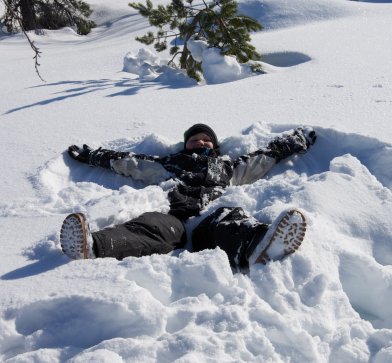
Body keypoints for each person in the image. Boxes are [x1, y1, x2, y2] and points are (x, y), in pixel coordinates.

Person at [60, 124, 316, 272]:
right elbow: (131, 163)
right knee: (149, 226)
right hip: (176, 219)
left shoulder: (227, 167)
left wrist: (294, 142)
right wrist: (94, 156)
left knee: (231, 219)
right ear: (186, 145)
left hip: (210, 218)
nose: (202, 143)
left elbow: (263, 158)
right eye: (195, 140)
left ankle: (259, 245)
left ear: (214, 147)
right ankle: (95, 246)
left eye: (207, 141)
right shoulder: (169, 164)